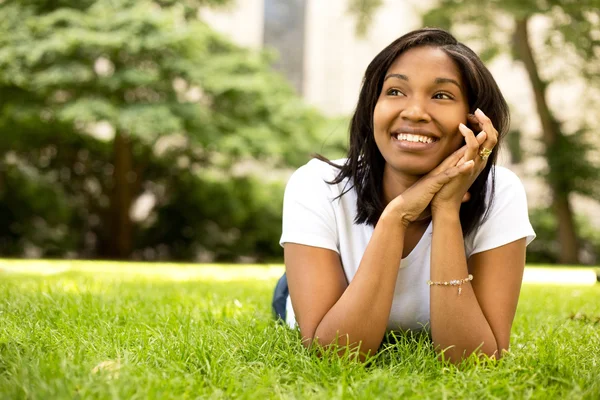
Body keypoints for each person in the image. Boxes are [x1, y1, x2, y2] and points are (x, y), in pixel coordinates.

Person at [272, 28, 535, 362]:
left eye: (441, 96)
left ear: (476, 122)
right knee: (296, 292)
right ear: (373, 107)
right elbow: (334, 354)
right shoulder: (317, 183)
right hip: (329, 280)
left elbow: (475, 359)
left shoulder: (502, 192)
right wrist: (398, 216)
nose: (414, 112)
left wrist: (445, 210)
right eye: (395, 91)